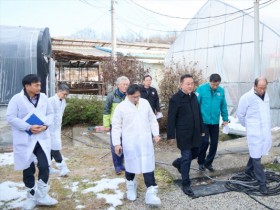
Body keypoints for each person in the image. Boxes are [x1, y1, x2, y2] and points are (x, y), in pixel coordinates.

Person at [6, 74, 57, 209]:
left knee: (45, 165)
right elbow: (10, 117)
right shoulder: (16, 99)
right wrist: (28, 126)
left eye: (39, 84)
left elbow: (51, 114)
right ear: (27, 86)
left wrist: (46, 125)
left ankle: (42, 195)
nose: (39, 87)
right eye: (36, 85)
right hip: (25, 139)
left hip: (41, 138)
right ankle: (31, 196)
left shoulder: (44, 98)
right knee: (28, 169)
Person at [112, 84, 161, 205]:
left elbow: (152, 119)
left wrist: (156, 134)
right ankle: (131, 186)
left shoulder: (145, 103)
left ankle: (151, 192)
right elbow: (116, 126)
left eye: (138, 96)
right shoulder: (121, 107)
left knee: (148, 165)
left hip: (145, 141)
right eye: (134, 97)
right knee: (131, 165)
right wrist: (117, 144)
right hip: (130, 142)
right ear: (127, 95)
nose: (136, 99)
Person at [167, 74, 204, 197]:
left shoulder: (193, 96)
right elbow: (171, 119)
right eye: (187, 83)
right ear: (181, 84)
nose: (190, 86)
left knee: (196, 152)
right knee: (187, 157)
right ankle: (186, 184)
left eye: (192, 83)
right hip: (184, 134)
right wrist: (171, 136)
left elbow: (198, 114)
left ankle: (178, 163)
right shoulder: (175, 99)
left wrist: (202, 128)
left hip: (195, 133)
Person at [237, 77, 272, 194]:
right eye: (260, 88)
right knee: (257, 157)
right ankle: (262, 183)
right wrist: (249, 126)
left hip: (264, 131)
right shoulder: (246, 97)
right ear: (255, 86)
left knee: (257, 153)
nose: (262, 90)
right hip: (254, 131)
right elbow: (240, 115)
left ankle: (248, 171)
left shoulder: (266, 96)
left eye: (264, 88)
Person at [196, 73, 229, 172]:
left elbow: (223, 106)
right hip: (203, 121)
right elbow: (195, 105)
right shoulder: (201, 89)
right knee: (205, 142)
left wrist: (225, 119)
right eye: (213, 85)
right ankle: (201, 162)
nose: (215, 87)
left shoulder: (221, 91)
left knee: (214, 143)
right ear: (209, 81)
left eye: (217, 85)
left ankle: (208, 163)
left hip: (214, 122)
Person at [103, 76, 130, 175]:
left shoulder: (128, 96)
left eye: (127, 84)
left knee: (124, 145)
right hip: (114, 125)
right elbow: (106, 110)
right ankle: (117, 166)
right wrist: (106, 125)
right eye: (124, 84)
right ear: (118, 85)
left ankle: (121, 163)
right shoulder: (111, 96)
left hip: (126, 125)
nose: (126, 86)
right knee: (115, 145)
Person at [48, 83, 70, 176]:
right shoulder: (50, 101)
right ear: (59, 91)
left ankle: (47, 168)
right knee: (54, 148)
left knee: (51, 149)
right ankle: (62, 167)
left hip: (57, 128)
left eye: (66, 95)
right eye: (64, 94)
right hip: (49, 129)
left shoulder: (63, 102)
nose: (65, 96)